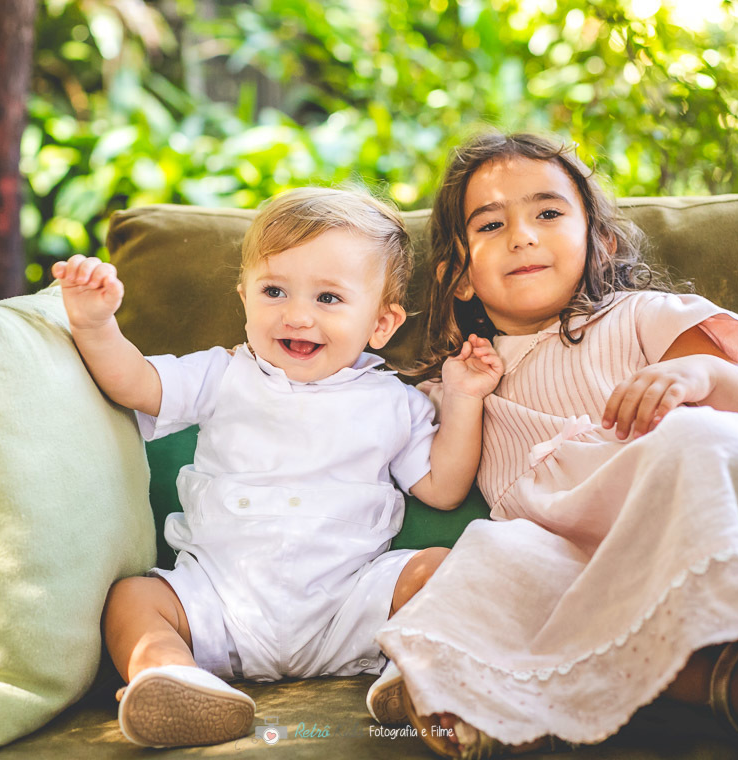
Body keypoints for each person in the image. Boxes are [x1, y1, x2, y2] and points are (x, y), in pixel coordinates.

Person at [371, 133, 738, 760]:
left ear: (601, 241)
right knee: (479, 560)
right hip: (574, 571)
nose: (522, 236)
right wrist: (464, 396)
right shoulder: (460, 382)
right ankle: (737, 683)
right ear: (458, 275)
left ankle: (524, 691)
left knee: (701, 432)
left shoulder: (642, 316)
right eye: (490, 225)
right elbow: (443, 483)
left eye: (547, 213)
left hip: (694, 528)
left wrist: (696, 377)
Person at [51, 187, 504, 749]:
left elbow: (442, 487)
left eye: (329, 299)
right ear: (244, 299)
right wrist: (96, 326)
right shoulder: (222, 375)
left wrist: (464, 400)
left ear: (382, 324)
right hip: (217, 601)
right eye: (274, 291)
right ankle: (169, 674)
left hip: (349, 607)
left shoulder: (394, 402)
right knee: (132, 599)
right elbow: (137, 384)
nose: (296, 315)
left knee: (438, 568)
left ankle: (415, 678)